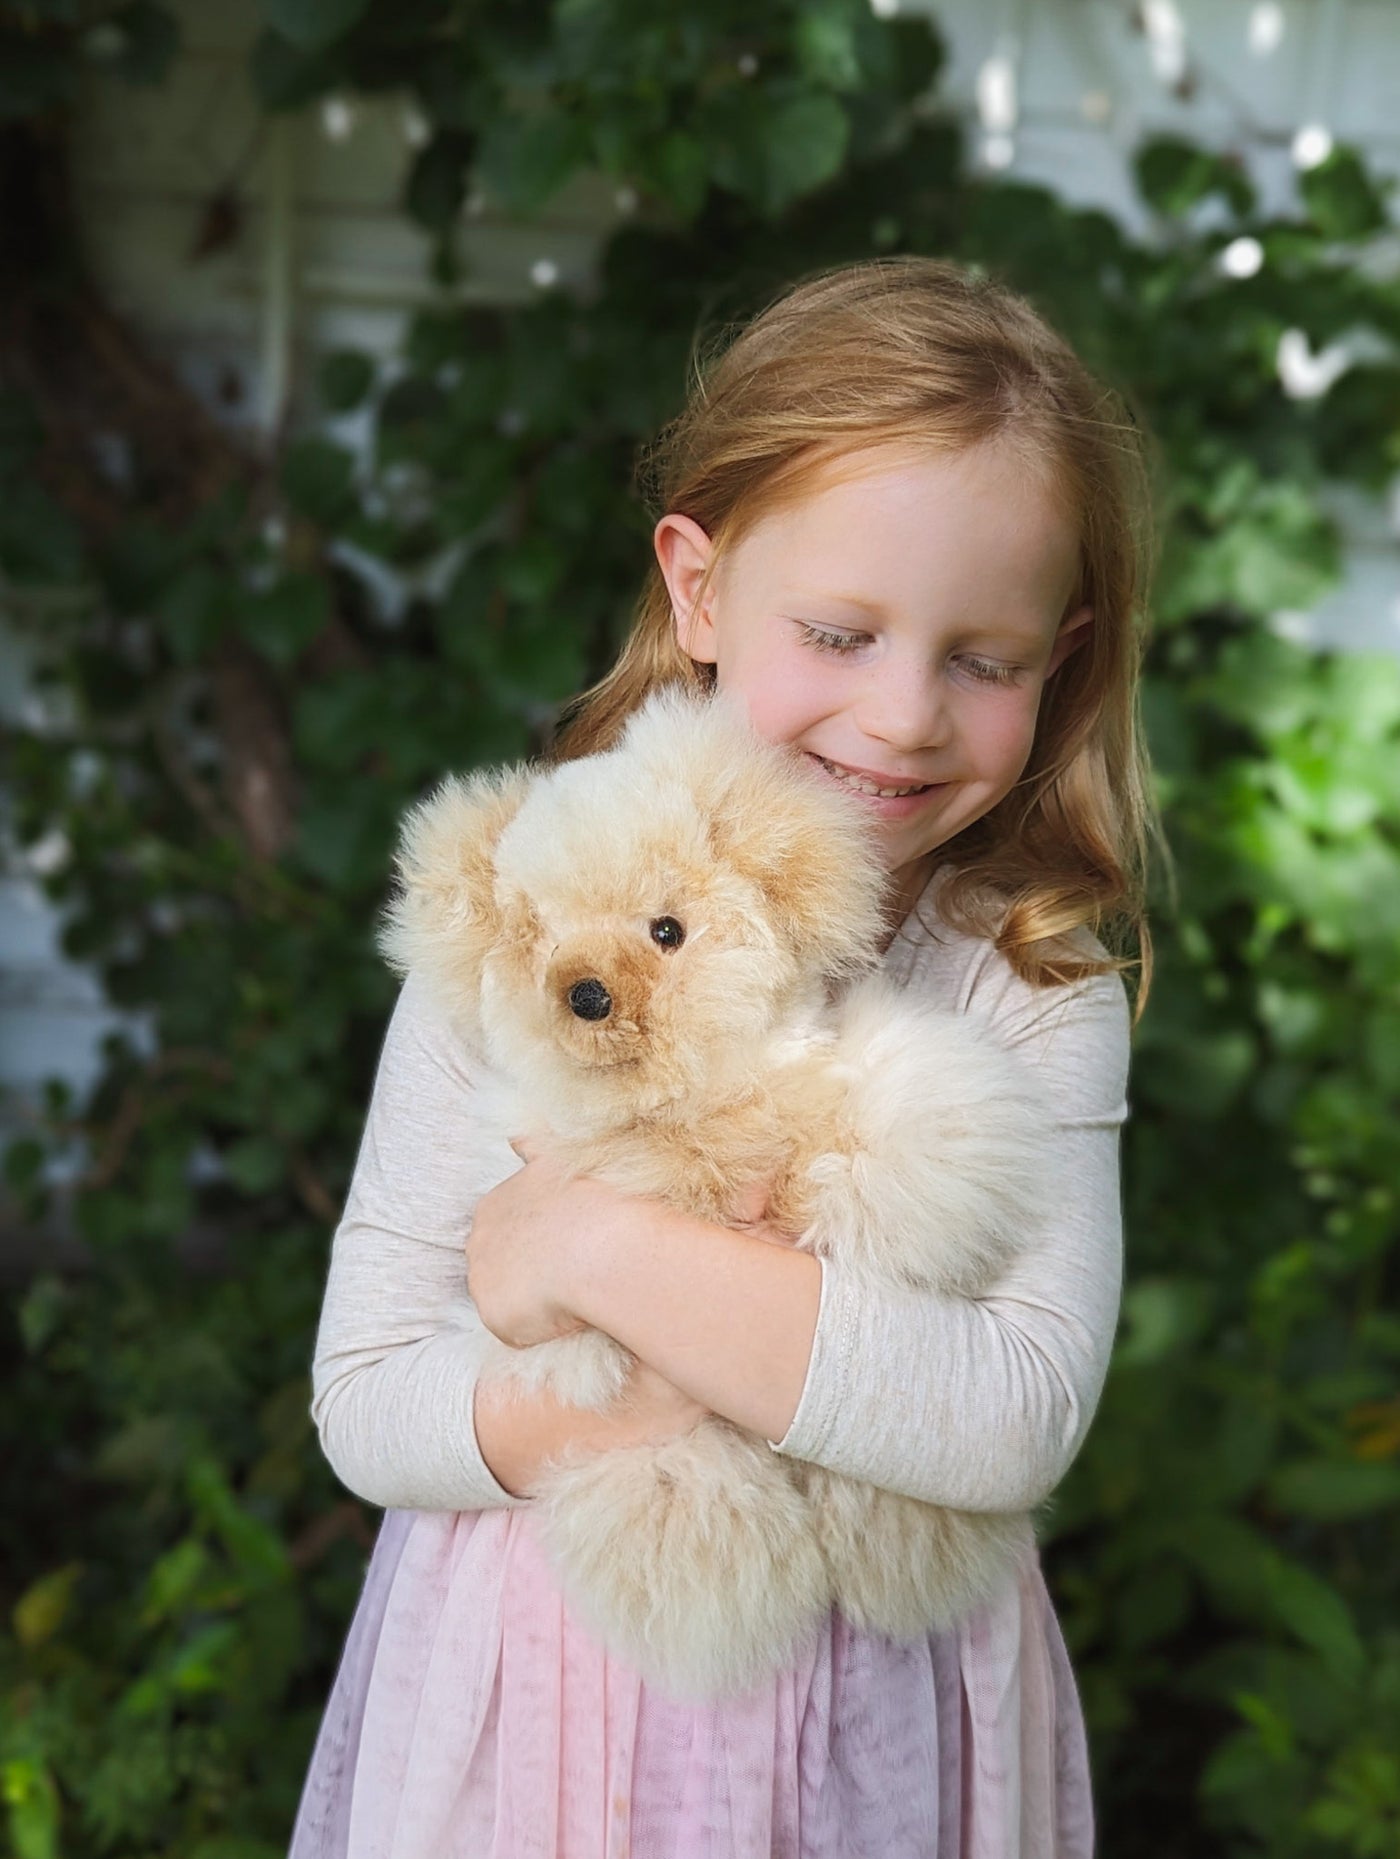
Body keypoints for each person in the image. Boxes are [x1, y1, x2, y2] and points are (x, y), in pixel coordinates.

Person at [288, 254, 1161, 1858]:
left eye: (986, 660)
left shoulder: (1024, 980)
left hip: (887, 1729)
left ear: (1063, 655)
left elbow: (1012, 1417)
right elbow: (367, 1395)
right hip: (539, 1701)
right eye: (839, 632)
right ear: (697, 587)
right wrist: (606, 1427)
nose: (902, 715)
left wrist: (590, 1244)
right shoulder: (534, 926)